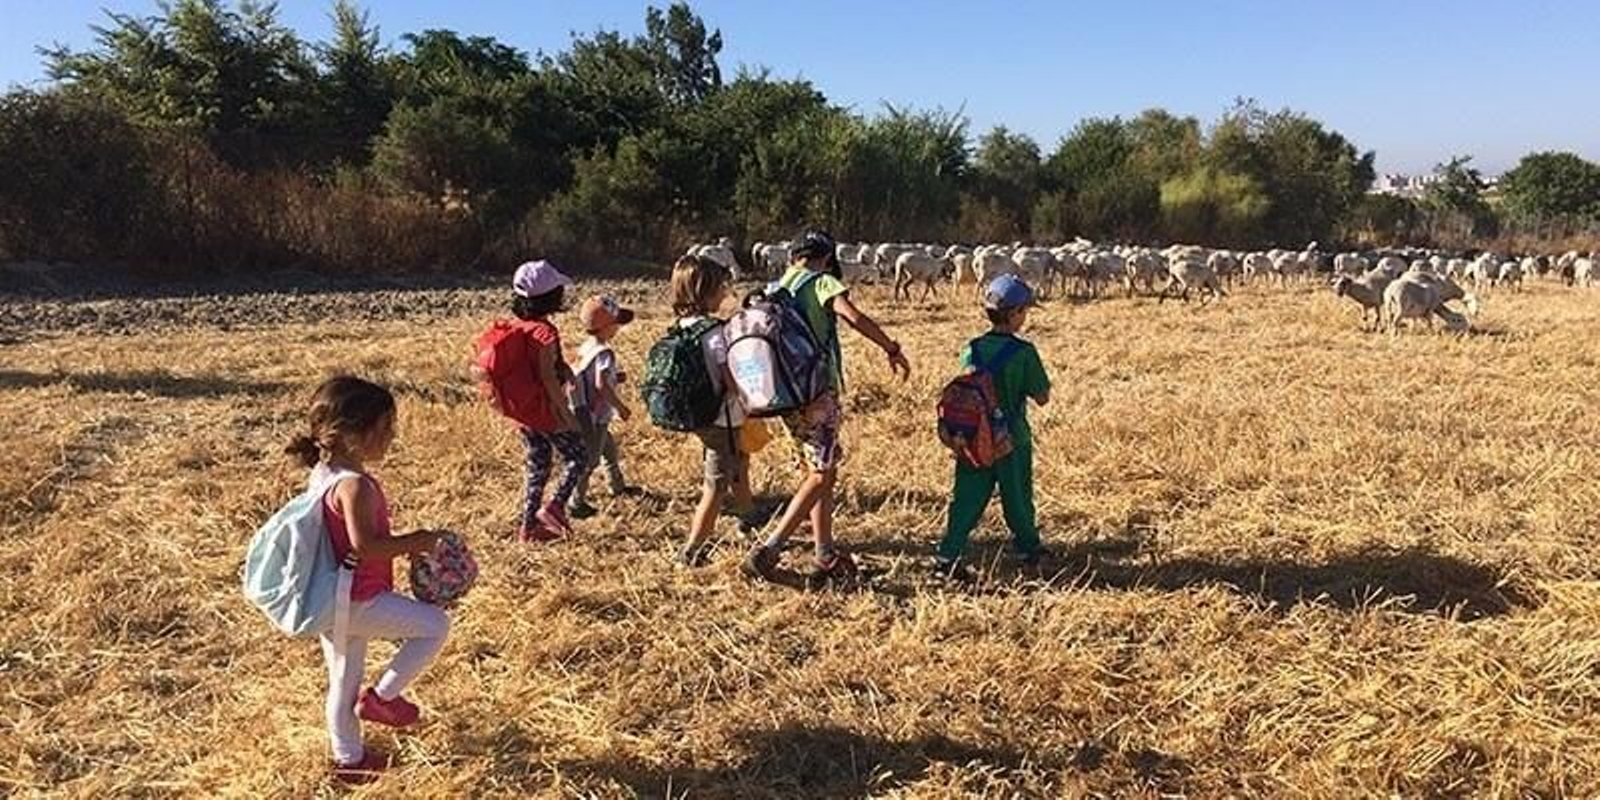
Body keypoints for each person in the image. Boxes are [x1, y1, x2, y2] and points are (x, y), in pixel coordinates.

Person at [284, 376, 450, 784]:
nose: (391, 437)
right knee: (435, 626)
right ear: (355, 434)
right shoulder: (356, 486)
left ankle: (349, 759)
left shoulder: (324, 473)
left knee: (342, 679)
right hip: (360, 598)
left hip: (332, 599)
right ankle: (382, 699)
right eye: (385, 428)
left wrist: (399, 545)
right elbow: (367, 546)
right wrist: (418, 541)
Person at [742, 230, 912, 581]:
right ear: (827, 259)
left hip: (784, 395)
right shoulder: (821, 283)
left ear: (793, 256)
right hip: (817, 391)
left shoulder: (774, 287)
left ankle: (824, 553)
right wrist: (890, 347)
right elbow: (853, 316)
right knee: (821, 474)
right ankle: (770, 548)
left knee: (818, 473)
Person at [933, 274, 1052, 582]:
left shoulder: (971, 347)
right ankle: (1028, 548)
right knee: (1017, 495)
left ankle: (947, 555)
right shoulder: (1024, 352)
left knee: (966, 497)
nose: (1025, 317)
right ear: (1014, 315)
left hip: (972, 437)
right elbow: (1042, 396)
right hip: (1011, 438)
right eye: (1024, 311)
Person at [669, 255, 772, 567]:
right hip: (722, 416)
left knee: (738, 459)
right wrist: (750, 398)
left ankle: (748, 513)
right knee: (715, 485)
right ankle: (692, 549)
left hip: (700, 415)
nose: (725, 295)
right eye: (721, 290)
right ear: (706, 292)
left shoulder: (681, 327)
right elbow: (729, 373)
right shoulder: (714, 333)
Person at [508, 260, 587, 541]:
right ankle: (554, 508)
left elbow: (541, 366)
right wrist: (566, 415)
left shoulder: (519, 328)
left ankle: (527, 527)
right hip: (545, 411)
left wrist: (562, 365)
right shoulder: (545, 332)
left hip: (524, 412)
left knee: (538, 466)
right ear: (551, 296)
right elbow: (547, 378)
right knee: (579, 456)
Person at [568, 294, 640, 518]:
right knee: (591, 459)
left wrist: (615, 378)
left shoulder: (587, 347)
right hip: (595, 415)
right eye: (616, 323)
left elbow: (591, 378)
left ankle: (617, 486)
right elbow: (601, 385)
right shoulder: (605, 353)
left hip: (584, 411)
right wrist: (620, 407)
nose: (619, 327)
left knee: (609, 450)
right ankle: (575, 502)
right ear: (607, 327)